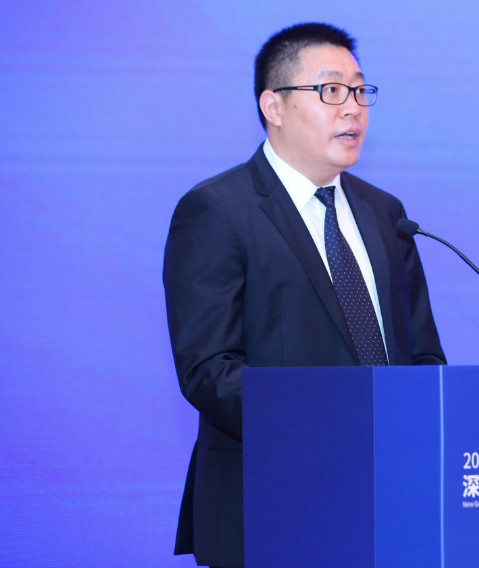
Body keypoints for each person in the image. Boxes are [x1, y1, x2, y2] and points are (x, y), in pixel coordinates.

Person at [162, 22, 445, 568]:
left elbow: (422, 355)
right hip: (272, 507)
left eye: (360, 91)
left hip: (388, 503)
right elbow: (209, 370)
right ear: (274, 105)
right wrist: (342, 429)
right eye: (331, 90)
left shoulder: (385, 213)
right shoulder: (218, 210)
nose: (353, 108)